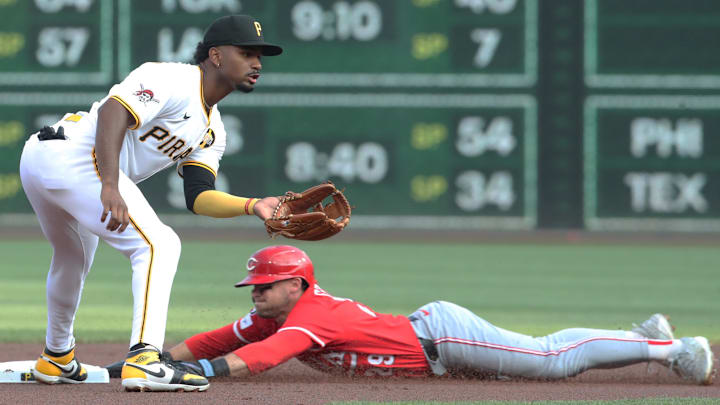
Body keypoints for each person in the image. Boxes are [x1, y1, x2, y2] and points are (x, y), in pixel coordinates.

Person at [19, 15, 285, 392]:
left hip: (46, 161)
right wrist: (110, 185)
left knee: (73, 256)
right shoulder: (174, 78)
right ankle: (144, 359)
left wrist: (252, 205)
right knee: (160, 244)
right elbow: (113, 112)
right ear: (216, 56)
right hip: (73, 156)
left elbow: (199, 196)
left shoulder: (213, 131)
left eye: (260, 55)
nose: (257, 63)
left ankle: (57, 357)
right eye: (246, 53)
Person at [124, 245, 714, 386]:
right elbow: (215, 338)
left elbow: (261, 358)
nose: (253, 293)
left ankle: (671, 350)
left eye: (263, 285)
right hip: (433, 352)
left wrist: (200, 376)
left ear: (295, 284)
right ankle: (641, 336)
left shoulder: (311, 313)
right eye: (251, 285)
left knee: (548, 359)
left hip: (443, 337)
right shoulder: (276, 315)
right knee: (543, 358)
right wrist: (153, 356)